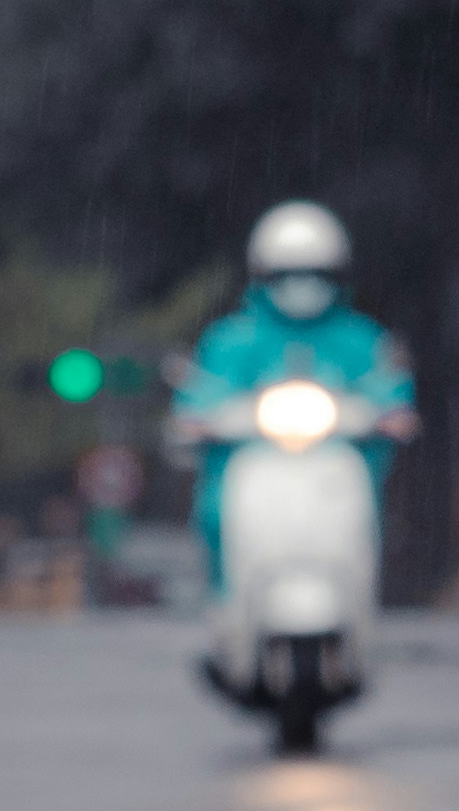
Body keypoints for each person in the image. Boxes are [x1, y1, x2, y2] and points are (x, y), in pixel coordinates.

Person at [168, 202, 412, 582]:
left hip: (334, 468)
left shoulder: (360, 338)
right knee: (217, 512)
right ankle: (226, 595)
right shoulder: (232, 339)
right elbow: (203, 392)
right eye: (286, 274)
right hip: (252, 463)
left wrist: (390, 415)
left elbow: (388, 388)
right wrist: (200, 420)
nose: (302, 285)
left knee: (365, 511)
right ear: (262, 275)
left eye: (316, 273)